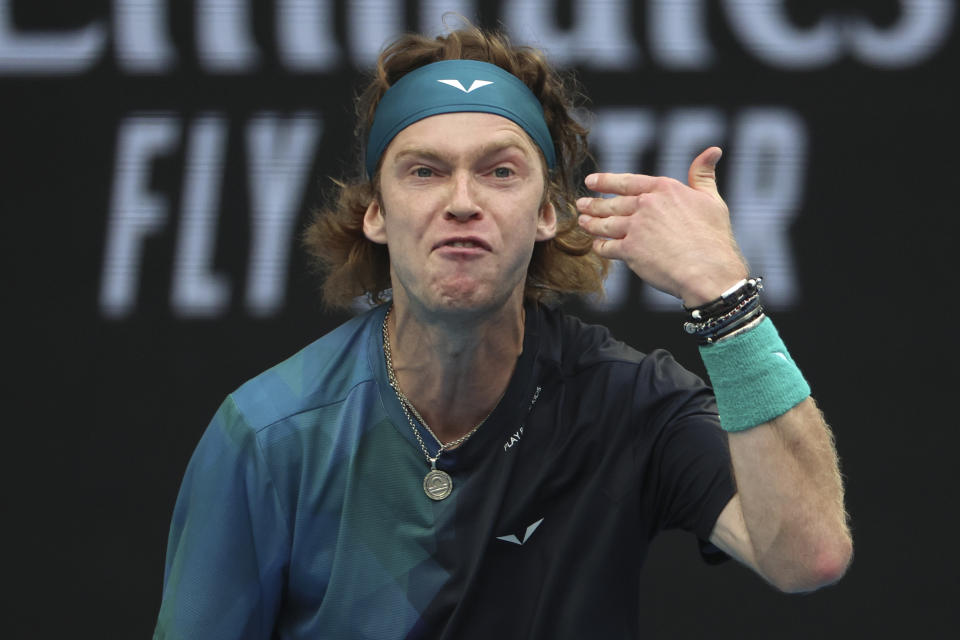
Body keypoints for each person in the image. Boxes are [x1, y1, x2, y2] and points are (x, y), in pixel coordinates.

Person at [154, 24, 852, 640]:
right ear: (375, 213)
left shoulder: (630, 405)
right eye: (425, 171)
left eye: (500, 171)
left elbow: (808, 555)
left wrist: (726, 300)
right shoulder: (269, 434)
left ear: (548, 211)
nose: (463, 202)